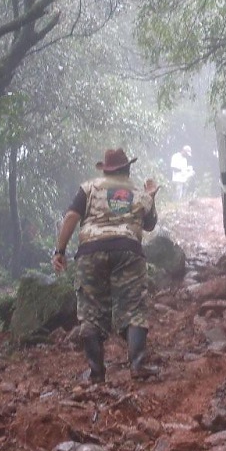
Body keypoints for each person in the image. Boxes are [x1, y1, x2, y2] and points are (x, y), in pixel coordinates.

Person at [52, 148, 160, 383]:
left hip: (91, 251)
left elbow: (71, 217)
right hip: (128, 250)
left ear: (106, 170)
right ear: (127, 168)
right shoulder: (139, 194)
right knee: (134, 307)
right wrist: (151, 195)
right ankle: (138, 364)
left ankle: (96, 373)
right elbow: (150, 224)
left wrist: (60, 250)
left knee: (91, 312)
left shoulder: (89, 188)